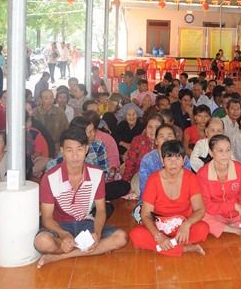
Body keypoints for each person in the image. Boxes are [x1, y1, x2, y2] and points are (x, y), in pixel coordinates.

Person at [34, 127, 128, 268]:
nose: (75, 156)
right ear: (62, 151)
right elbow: (47, 217)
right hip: (59, 225)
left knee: (121, 238)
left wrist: (97, 234)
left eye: (79, 149)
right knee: (42, 242)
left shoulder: (96, 174)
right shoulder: (50, 177)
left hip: (85, 223)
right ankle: (85, 248)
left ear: (86, 149)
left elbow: (101, 210)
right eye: (69, 150)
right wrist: (63, 234)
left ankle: (60, 256)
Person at [130, 140, 208, 256]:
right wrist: (158, 236)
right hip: (159, 226)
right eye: (169, 158)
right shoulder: (153, 180)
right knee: (136, 234)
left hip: (182, 227)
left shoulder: (191, 178)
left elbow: (200, 210)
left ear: (184, 160)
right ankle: (183, 248)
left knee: (203, 228)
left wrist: (186, 225)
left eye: (177, 158)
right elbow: (145, 215)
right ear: (162, 160)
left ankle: (167, 246)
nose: (173, 163)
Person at [122, 114, 164, 183]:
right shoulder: (138, 141)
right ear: (145, 129)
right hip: (138, 180)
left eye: (157, 127)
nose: (153, 130)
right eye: (150, 127)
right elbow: (130, 163)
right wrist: (126, 182)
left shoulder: (166, 143)